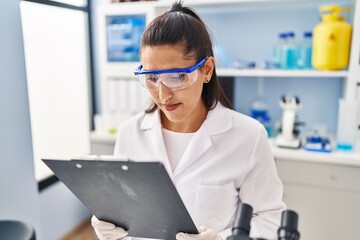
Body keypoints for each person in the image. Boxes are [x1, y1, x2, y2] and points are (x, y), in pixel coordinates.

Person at [91, 1, 286, 240]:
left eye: (177, 76)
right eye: (151, 78)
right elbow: (126, 213)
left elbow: (270, 221)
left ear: (206, 70)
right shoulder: (130, 133)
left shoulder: (249, 136)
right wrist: (112, 229)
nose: (163, 95)